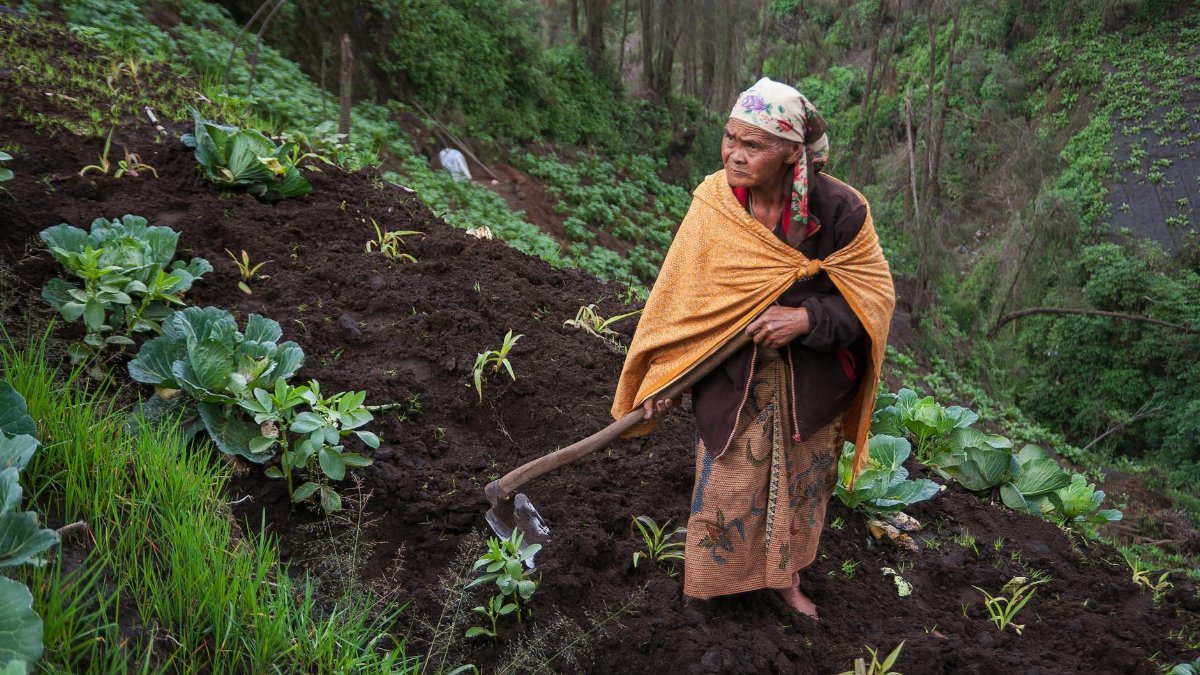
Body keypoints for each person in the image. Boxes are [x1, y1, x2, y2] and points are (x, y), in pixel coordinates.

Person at [611, 77, 895, 619]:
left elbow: (873, 303)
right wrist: (666, 380)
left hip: (811, 386)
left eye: (753, 145)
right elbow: (686, 302)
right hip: (731, 379)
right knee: (725, 488)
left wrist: (806, 316)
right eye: (730, 139)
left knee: (800, 496)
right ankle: (707, 593)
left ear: (792, 153)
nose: (734, 155)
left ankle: (785, 581)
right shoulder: (717, 204)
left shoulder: (840, 211)